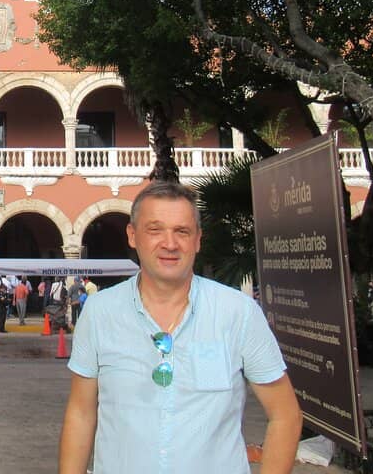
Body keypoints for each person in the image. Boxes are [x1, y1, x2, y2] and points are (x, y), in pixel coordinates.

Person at [59, 181, 302, 474]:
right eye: (155, 230)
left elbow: (285, 415)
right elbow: (81, 414)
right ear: (133, 236)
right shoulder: (100, 313)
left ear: (198, 239)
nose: (170, 244)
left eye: (182, 231)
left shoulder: (238, 313)